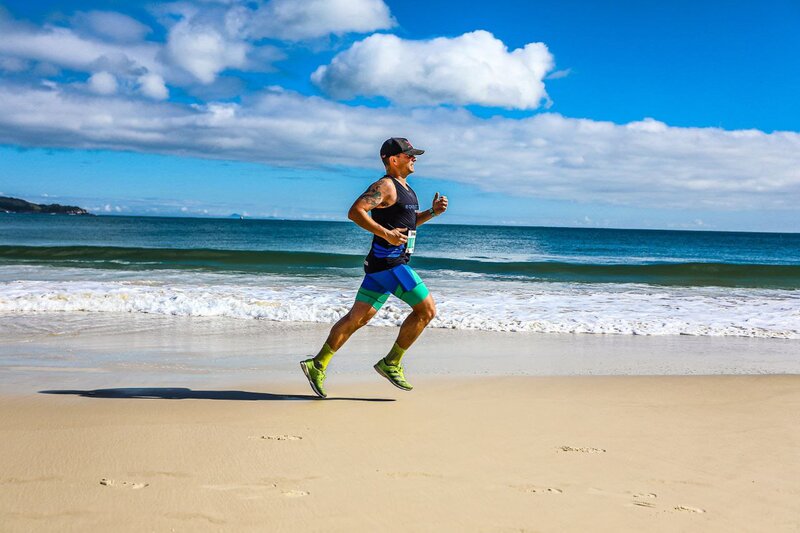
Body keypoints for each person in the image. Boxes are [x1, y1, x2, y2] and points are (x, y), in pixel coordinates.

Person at [301, 137, 448, 398]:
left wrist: (432, 213)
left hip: (380, 266)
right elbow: (356, 211)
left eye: (414, 155)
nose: (414, 158)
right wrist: (386, 234)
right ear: (393, 159)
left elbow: (409, 222)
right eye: (409, 154)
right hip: (391, 263)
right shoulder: (385, 186)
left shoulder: (407, 189)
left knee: (358, 318)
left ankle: (318, 363)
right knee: (426, 311)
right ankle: (391, 362)